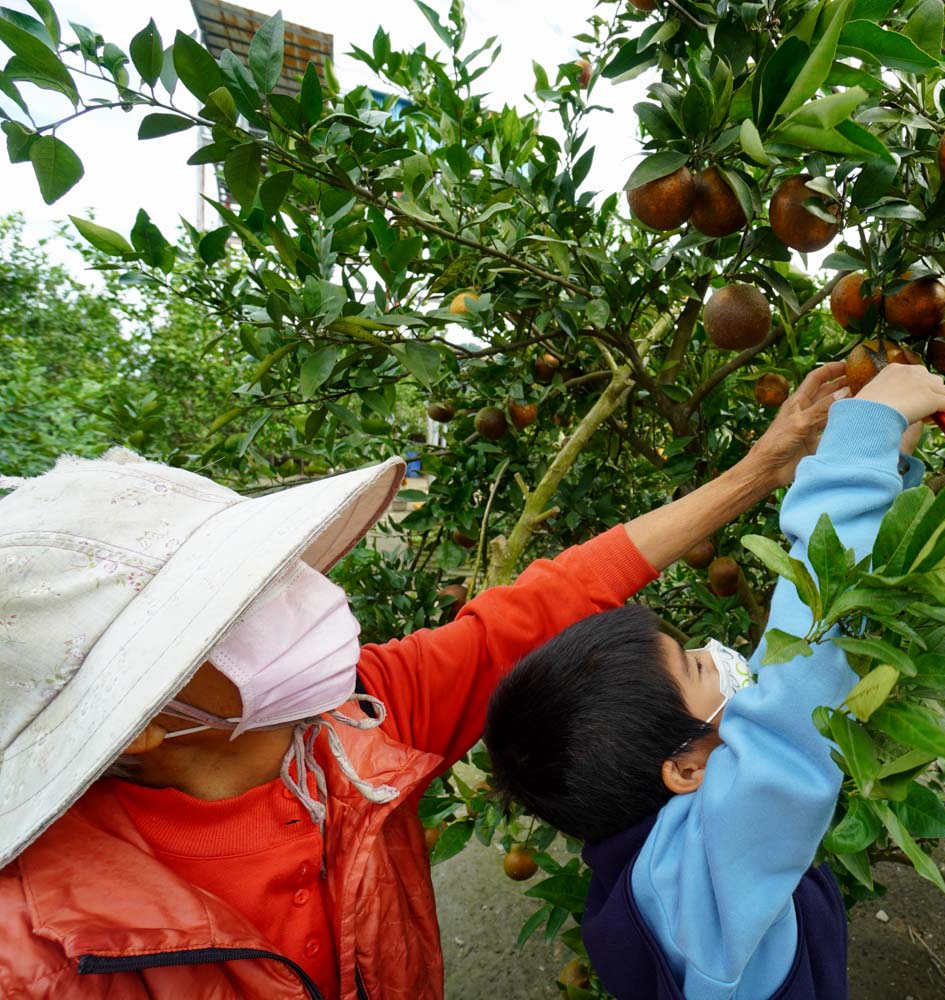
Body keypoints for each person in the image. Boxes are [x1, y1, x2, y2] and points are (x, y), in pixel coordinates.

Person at [0, 364, 846, 1000]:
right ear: (139, 717)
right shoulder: (43, 949)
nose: (301, 600)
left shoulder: (362, 717)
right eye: (229, 613)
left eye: (272, 578)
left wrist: (760, 469)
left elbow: (544, 604)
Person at [484, 363, 945, 1000]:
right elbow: (797, 688)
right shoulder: (702, 882)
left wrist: (885, 469)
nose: (723, 656)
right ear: (682, 769)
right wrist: (857, 443)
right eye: (698, 667)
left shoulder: (655, 852)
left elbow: (787, 675)